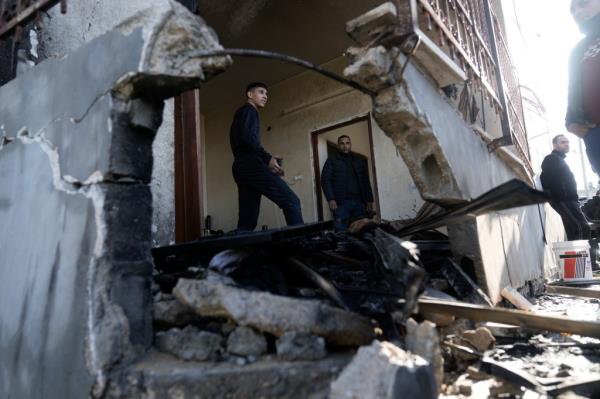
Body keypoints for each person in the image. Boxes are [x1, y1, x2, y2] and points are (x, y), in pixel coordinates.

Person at [229, 82, 303, 231]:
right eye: (261, 92)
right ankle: (299, 246)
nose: (265, 96)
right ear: (250, 95)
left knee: (247, 220)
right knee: (292, 201)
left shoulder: (242, 113)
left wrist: (267, 160)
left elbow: (245, 142)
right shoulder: (249, 110)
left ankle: (240, 253)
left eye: (267, 94)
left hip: (241, 167)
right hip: (250, 164)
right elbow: (249, 139)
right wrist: (267, 158)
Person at [566, 0, 600, 175]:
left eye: (584, 3)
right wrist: (570, 121)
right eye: (573, 10)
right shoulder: (578, 50)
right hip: (595, 133)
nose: (577, 12)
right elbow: (573, 90)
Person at [541, 134, 591, 240]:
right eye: (563, 142)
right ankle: (582, 256)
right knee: (582, 227)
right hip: (564, 200)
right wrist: (560, 197)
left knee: (574, 230)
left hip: (569, 200)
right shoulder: (551, 158)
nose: (566, 144)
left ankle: (576, 256)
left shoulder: (560, 160)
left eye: (567, 142)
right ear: (554, 145)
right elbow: (545, 180)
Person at [321, 135, 375, 231]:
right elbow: (325, 180)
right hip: (341, 203)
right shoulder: (332, 161)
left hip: (359, 202)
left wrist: (369, 199)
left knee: (361, 230)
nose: (345, 146)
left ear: (350, 144)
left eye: (347, 143)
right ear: (338, 146)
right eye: (342, 143)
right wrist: (331, 199)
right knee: (341, 232)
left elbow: (365, 181)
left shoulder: (358, 160)